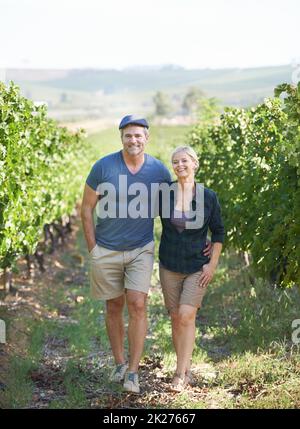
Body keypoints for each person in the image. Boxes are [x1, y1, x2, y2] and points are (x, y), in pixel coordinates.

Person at [80, 115, 172, 393]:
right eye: (128, 135)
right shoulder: (103, 167)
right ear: (121, 137)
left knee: (138, 304)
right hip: (106, 249)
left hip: (140, 249)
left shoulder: (159, 171)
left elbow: (171, 211)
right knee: (113, 307)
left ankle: (133, 371)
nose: (134, 140)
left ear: (147, 138)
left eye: (138, 135)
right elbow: (86, 209)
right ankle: (119, 363)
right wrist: (93, 249)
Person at [159, 146, 225, 391]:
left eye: (184, 161)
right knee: (176, 318)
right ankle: (184, 367)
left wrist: (212, 264)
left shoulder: (208, 196)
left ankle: (179, 374)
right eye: (175, 162)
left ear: (195, 163)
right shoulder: (164, 194)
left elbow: (218, 231)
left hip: (197, 266)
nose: (179, 165)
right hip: (169, 265)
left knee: (187, 314)